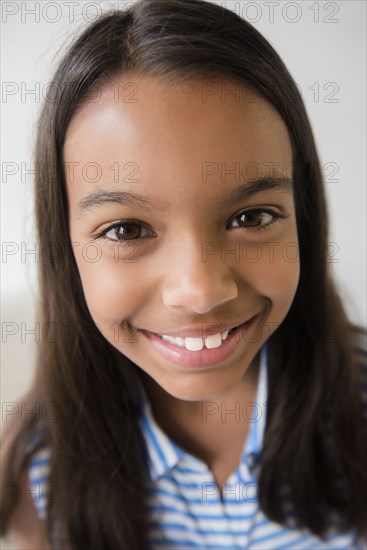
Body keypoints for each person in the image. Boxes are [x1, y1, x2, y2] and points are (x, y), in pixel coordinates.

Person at [1, 0, 366, 548]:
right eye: (126, 230)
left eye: (251, 217)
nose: (200, 290)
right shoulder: (40, 473)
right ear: (67, 249)